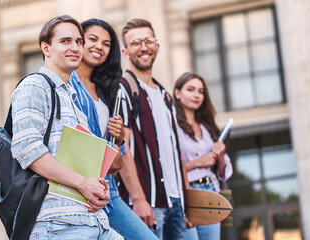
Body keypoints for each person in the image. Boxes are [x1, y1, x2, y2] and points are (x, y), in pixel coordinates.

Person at [10, 15, 122, 239]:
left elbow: (88, 163)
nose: (75, 47)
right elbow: (27, 150)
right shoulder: (34, 85)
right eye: (65, 41)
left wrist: (98, 188)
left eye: (79, 42)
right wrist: (83, 183)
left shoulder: (72, 99)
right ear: (46, 47)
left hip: (93, 221)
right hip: (58, 226)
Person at [69, 18, 158, 240]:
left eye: (106, 43)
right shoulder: (67, 84)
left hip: (109, 189)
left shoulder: (108, 90)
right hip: (77, 187)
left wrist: (118, 140)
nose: (99, 46)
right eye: (93, 39)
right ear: (79, 41)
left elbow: (117, 158)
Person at [118, 18, 187, 240]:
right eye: (136, 42)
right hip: (149, 202)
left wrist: (187, 199)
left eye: (148, 40)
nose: (143, 47)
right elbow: (122, 148)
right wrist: (138, 199)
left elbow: (176, 152)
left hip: (176, 201)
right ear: (126, 52)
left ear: (157, 46)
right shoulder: (124, 89)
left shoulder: (165, 95)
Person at [173, 72, 233, 240]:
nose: (196, 95)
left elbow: (223, 173)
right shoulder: (172, 126)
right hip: (187, 192)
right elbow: (169, 167)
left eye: (200, 91)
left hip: (210, 192)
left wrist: (220, 156)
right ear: (177, 93)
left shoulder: (207, 128)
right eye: (190, 89)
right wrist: (199, 162)